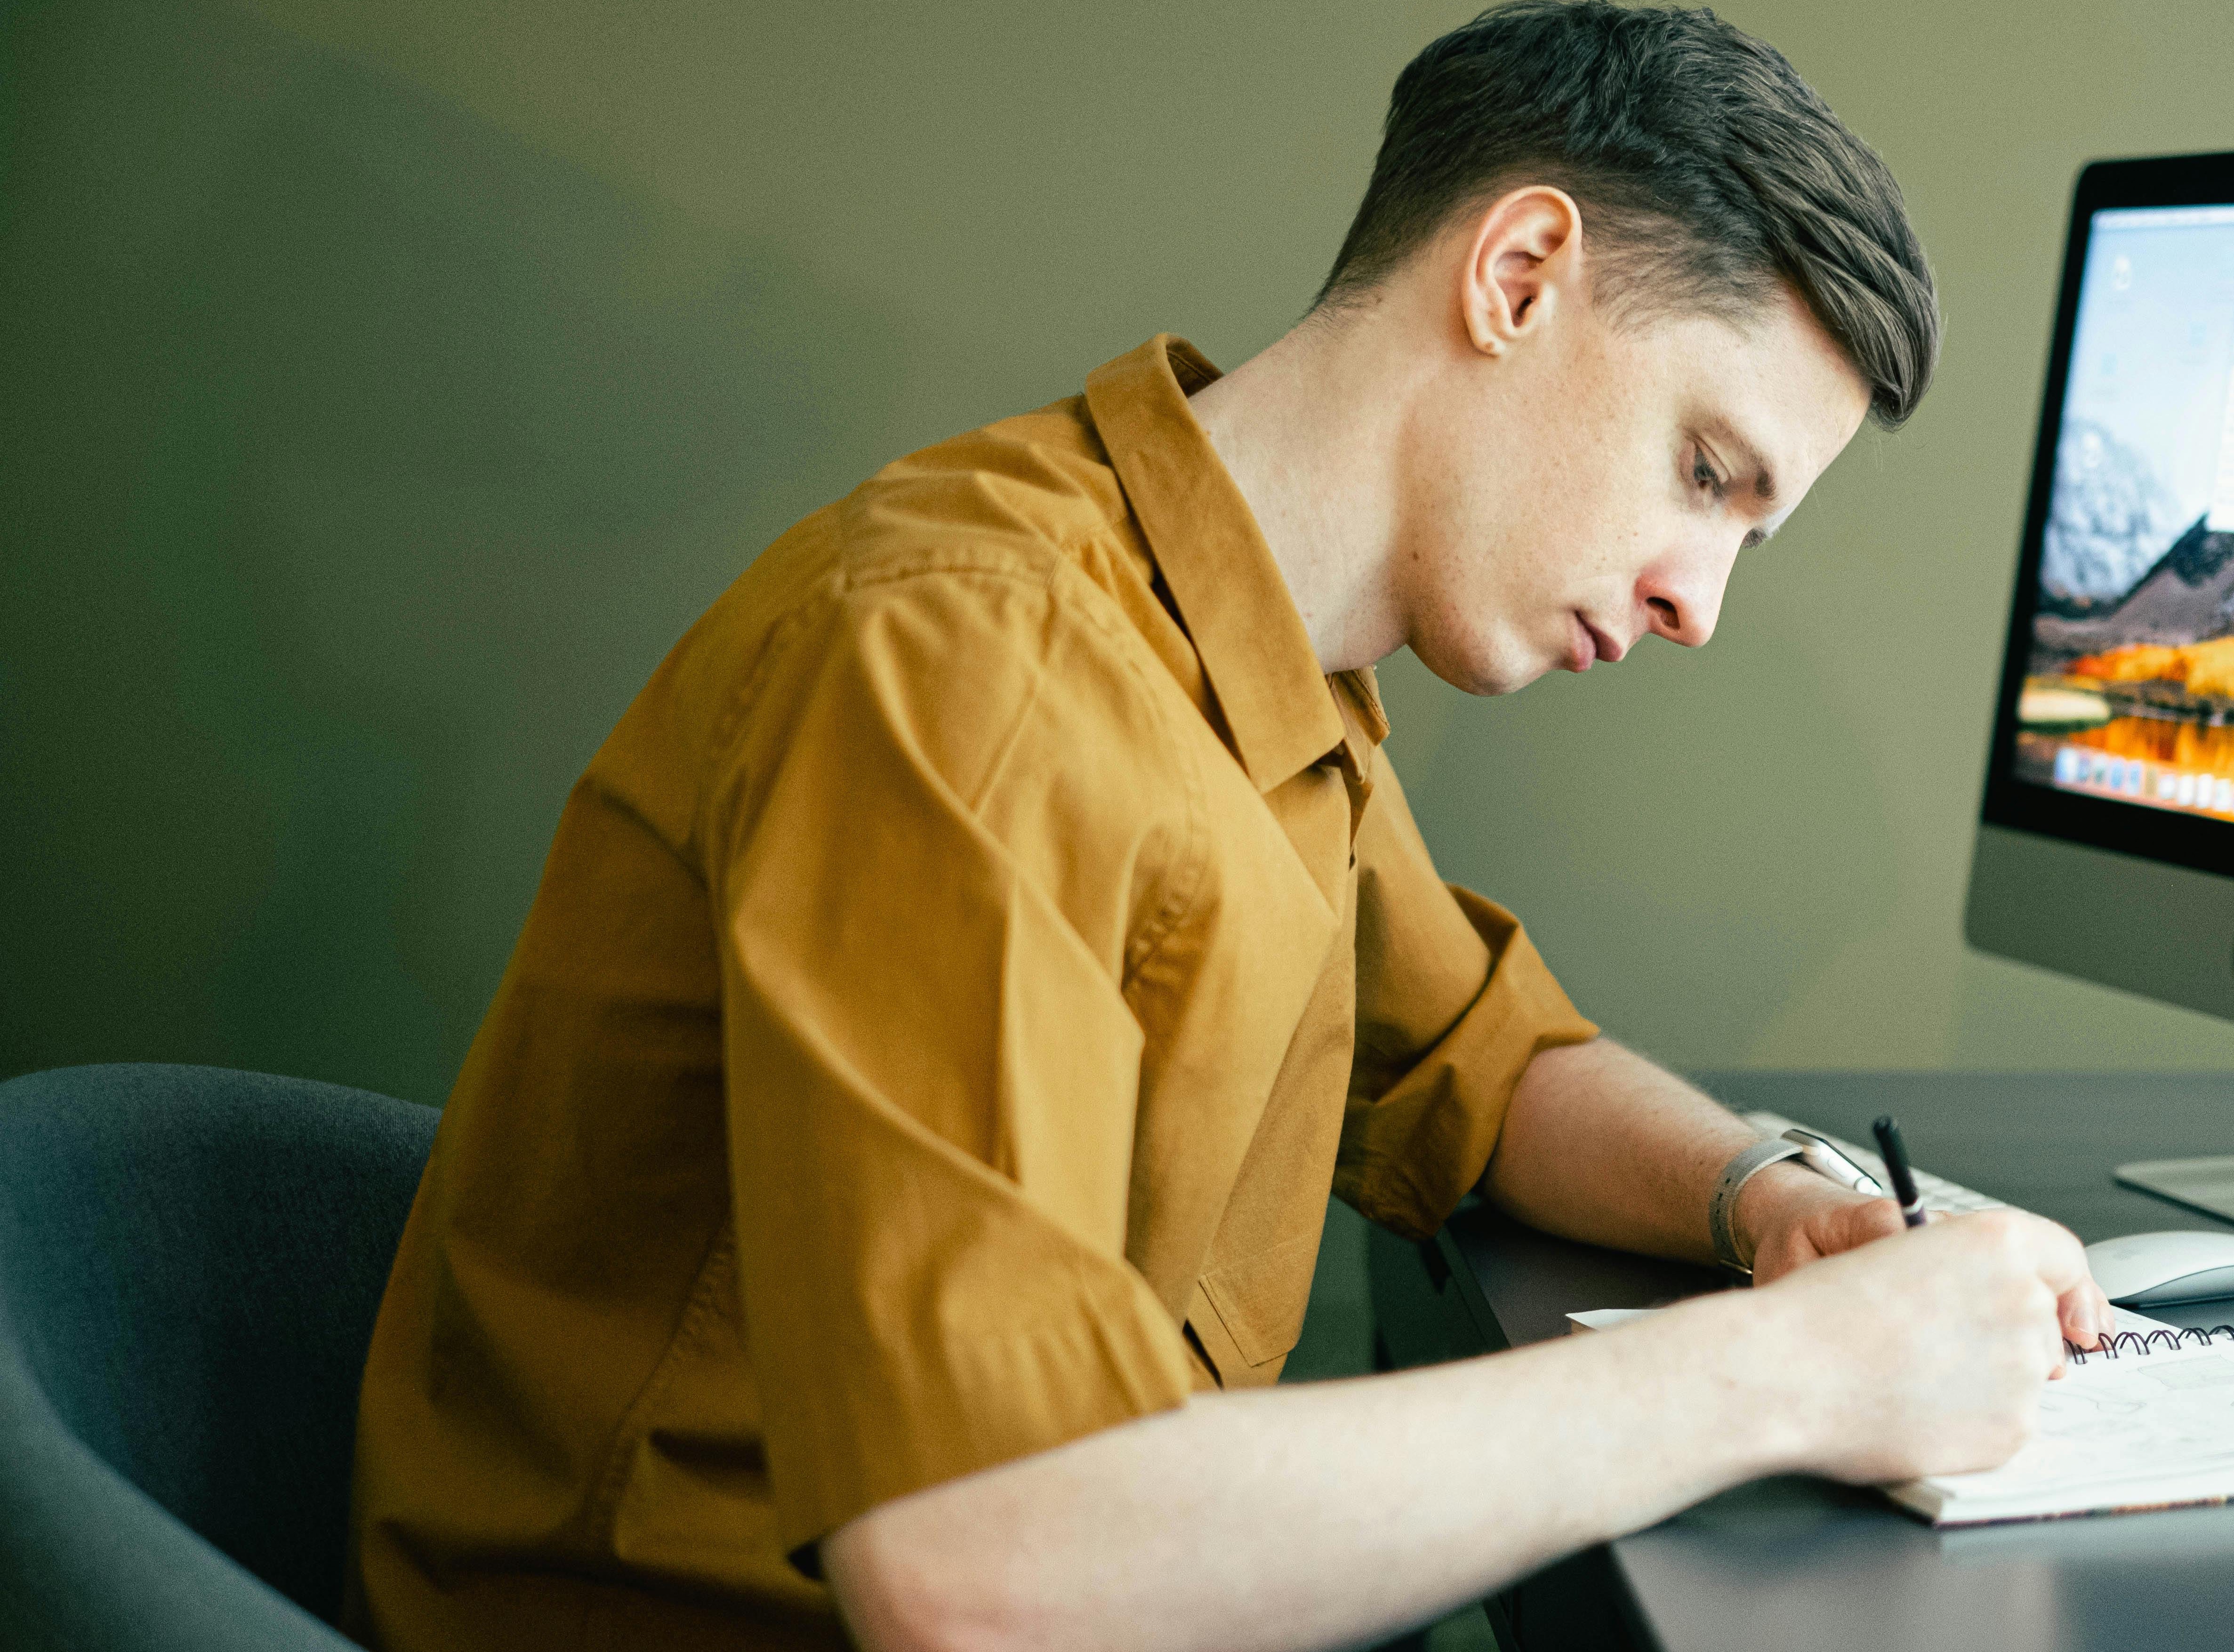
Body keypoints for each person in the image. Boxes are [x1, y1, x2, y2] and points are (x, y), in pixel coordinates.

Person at [343, 5, 2111, 1649]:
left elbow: (1490, 1068)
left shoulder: (1263, 670)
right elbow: (978, 1566)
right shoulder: (982, 664)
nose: (1698, 604)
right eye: (1705, 474)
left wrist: (1766, 1205)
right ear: (1517, 274)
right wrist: (1786, 1378)